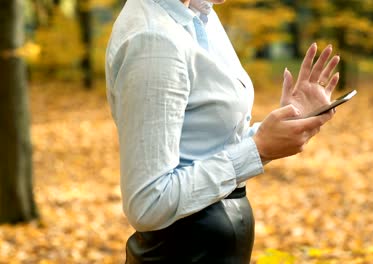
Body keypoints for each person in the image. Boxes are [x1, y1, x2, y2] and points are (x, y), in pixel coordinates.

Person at [105, 0, 340, 263]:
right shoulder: (152, 40)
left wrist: (283, 126)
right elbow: (149, 203)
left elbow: (213, 146)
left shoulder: (200, 16)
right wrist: (258, 150)